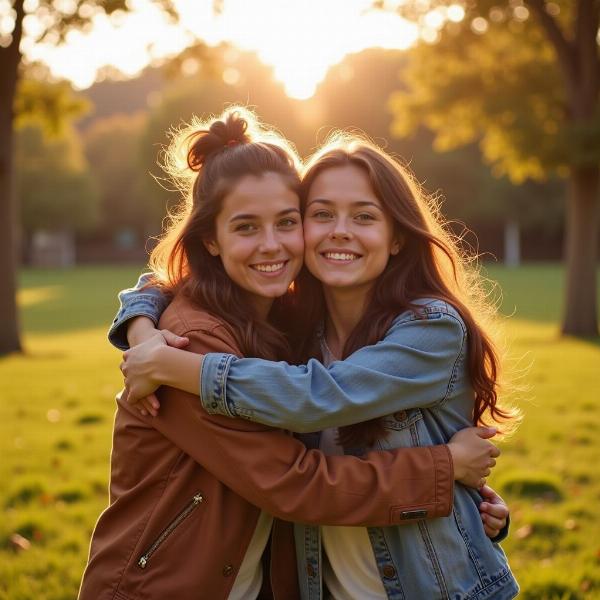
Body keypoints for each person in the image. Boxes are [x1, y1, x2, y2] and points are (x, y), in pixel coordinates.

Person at [80, 109, 501, 600]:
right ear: (209, 239)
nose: (272, 244)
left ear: (397, 233)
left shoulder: (307, 325)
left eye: (287, 221)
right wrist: (444, 470)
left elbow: (318, 397)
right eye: (322, 214)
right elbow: (295, 483)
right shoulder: (191, 342)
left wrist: (466, 499)